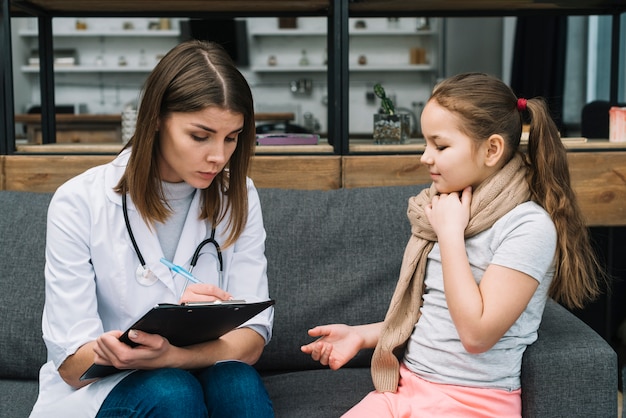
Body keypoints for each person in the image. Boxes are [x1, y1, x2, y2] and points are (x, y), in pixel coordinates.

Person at [301, 72, 604, 417]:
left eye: (440, 146)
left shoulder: (527, 227)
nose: (425, 157)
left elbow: (476, 336)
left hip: (472, 404)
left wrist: (449, 237)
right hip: (405, 390)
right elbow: (435, 317)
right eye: (426, 143)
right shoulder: (449, 209)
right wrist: (361, 335)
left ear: (492, 149)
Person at [30, 40, 274, 418]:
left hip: (198, 370)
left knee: (237, 381)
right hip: (100, 391)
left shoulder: (237, 194)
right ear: (157, 118)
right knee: (172, 391)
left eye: (232, 137)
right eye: (199, 136)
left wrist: (176, 356)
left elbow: (252, 339)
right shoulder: (78, 201)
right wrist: (125, 354)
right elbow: (73, 367)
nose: (219, 156)